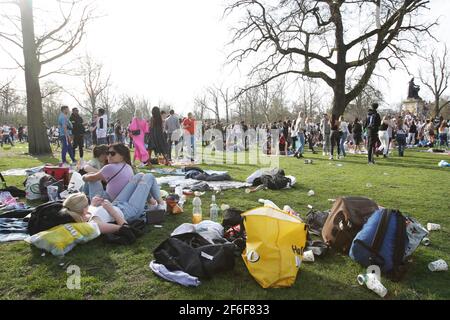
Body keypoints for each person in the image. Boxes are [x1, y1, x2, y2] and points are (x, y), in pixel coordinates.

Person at [62, 173, 165, 235]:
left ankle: (151, 204)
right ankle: (162, 206)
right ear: (83, 209)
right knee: (149, 177)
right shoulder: (95, 224)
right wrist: (111, 210)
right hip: (129, 211)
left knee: (139, 176)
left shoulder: (85, 214)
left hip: (117, 204)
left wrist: (93, 205)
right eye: (87, 204)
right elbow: (125, 228)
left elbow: (94, 212)